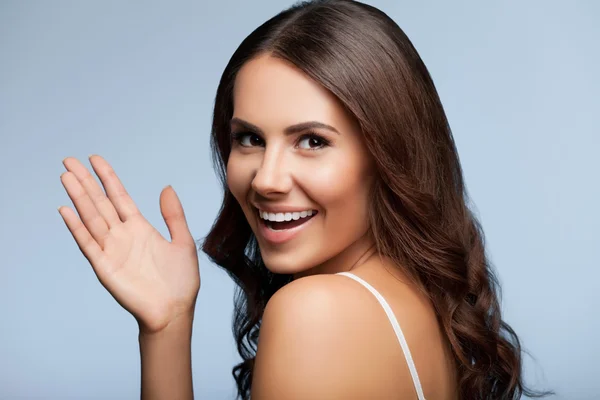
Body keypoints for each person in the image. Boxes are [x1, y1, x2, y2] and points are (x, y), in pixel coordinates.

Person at [58, 0, 553, 399]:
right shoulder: (417, 299)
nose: (267, 180)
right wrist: (166, 325)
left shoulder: (316, 312)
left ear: (388, 154)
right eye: (249, 138)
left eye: (312, 141)